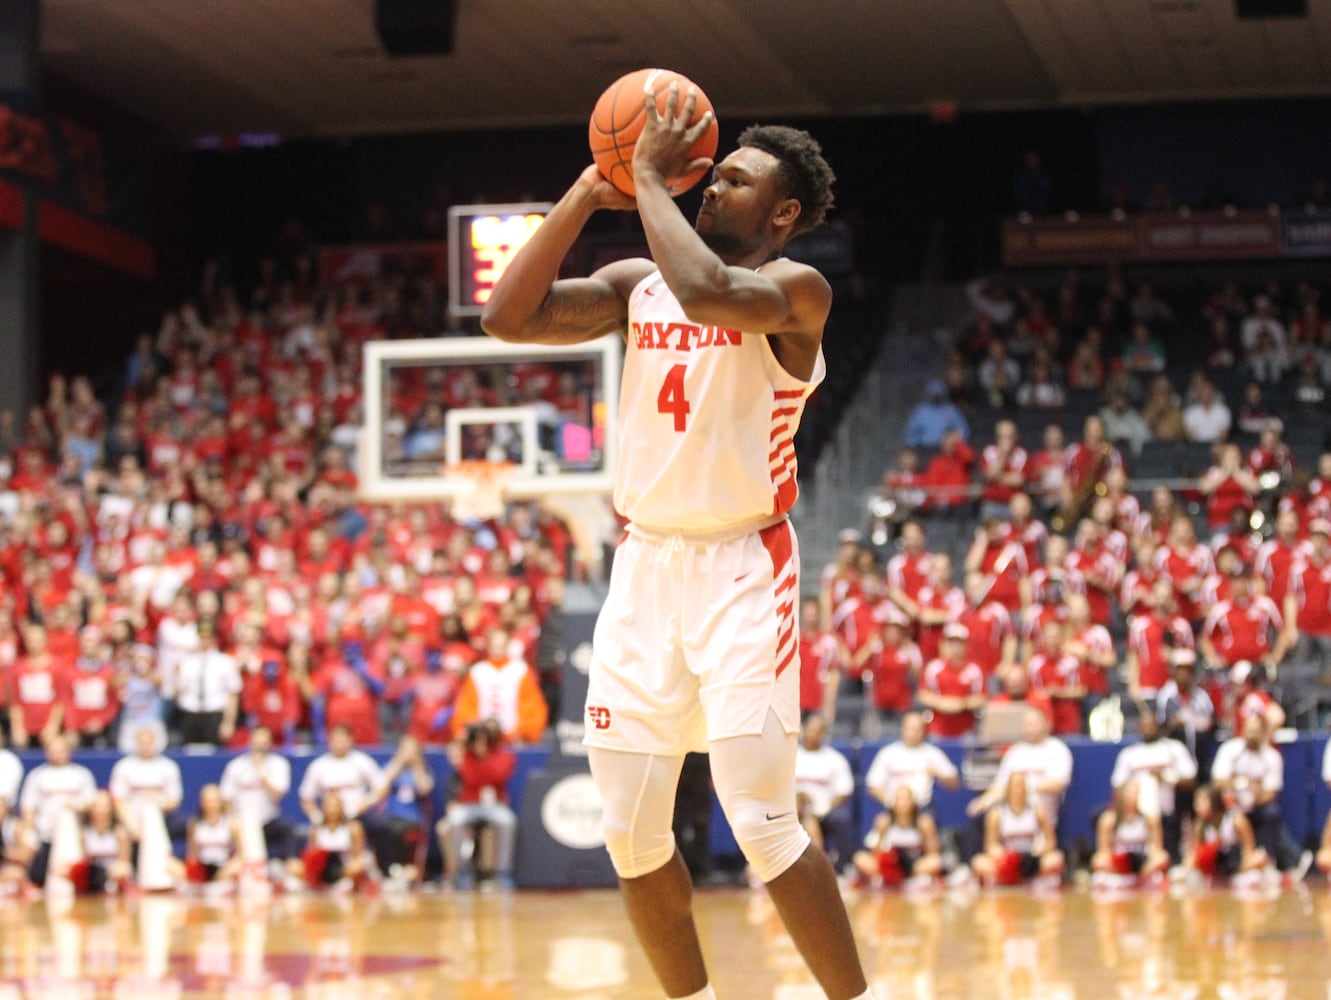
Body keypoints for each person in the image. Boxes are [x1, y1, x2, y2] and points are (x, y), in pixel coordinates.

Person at [480, 95, 871, 999]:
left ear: (780, 214)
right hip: (643, 568)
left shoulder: (794, 291)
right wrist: (589, 188)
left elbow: (706, 291)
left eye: (735, 179)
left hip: (743, 567)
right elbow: (508, 316)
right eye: (714, 169)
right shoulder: (634, 285)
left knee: (763, 820)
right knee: (629, 835)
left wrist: (648, 177)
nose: (713, 183)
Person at [436, 719, 517, 891]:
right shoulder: (466, 755)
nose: (482, 740)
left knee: (507, 821)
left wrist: (484, 755)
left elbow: (497, 776)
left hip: (494, 805)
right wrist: (469, 746)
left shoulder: (504, 755)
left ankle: (502, 871)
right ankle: (462, 871)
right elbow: (470, 779)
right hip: (470, 804)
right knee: (454, 821)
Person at [1109, 711, 1197, 863]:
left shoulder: (1173, 748)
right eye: (1144, 726)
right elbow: (1118, 786)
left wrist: (1166, 778)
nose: (1148, 729)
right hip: (1138, 816)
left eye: (1151, 726)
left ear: (1159, 727)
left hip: (1167, 812)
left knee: (1169, 857)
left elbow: (1191, 779)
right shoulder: (1129, 754)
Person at [17, 733, 97, 887]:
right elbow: (28, 807)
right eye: (52, 750)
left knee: (74, 880)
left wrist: (75, 806)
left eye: (60, 750)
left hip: (74, 837)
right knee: (39, 878)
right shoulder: (37, 776)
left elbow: (91, 803)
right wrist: (30, 832)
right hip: (45, 836)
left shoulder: (81, 775)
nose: (56, 754)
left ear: (69, 751)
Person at [968, 773, 1064, 889]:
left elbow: (1050, 842)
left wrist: (1038, 852)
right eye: (1016, 785)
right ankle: (1009, 878)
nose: (1019, 790)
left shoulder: (1038, 810)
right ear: (1009, 788)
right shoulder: (997, 813)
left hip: (1030, 856)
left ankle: (1026, 877)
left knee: (1056, 859)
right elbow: (991, 845)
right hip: (1007, 858)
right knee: (979, 862)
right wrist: (1003, 855)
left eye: (1022, 785)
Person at [218, 725, 294, 861]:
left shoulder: (279, 764)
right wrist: (232, 818)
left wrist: (261, 773)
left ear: (270, 743)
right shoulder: (236, 766)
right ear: (250, 742)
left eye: (263, 742)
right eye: (257, 741)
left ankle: (288, 865)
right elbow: (226, 798)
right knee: (228, 828)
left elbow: (277, 795)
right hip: (241, 820)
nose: (260, 746)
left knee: (287, 827)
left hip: (268, 820)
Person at [862, 711, 960, 813]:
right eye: (910, 729)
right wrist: (892, 803)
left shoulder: (933, 753)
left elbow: (954, 783)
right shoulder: (888, 753)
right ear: (902, 729)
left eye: (917, 729)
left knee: (927, 824)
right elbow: (872, 785)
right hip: (893, 809)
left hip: (923, 809)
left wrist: (938, 774)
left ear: (924, 731)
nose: (913, 733)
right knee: (881, 823)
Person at [793, 715, 855, 872]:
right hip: (793, 809)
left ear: (824, 734)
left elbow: (844, 791)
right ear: (803, 731)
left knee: (840, 817)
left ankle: (840, 867)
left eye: (817, 731)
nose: (813, 734)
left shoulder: (835, 759)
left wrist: (825, 807)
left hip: (824, 810)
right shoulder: (791, 756)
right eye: (810, 730)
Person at [852, 786, 942, 891]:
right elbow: (876, 850)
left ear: (913, 802)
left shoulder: (924, 822)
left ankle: (912, 881)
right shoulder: (883, 821)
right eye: (899, 799)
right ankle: (884, 879)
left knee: (936, 862)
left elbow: (933, 852)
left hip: (913, 865)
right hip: (889, 864)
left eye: (906, 799)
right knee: (860, 858)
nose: (902, 803)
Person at [1090, 780, 1170, 887]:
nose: (1132, 797)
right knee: (1098, 860)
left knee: (1162, 858)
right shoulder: (1109, 819)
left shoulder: (1149, 819)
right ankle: (1125, 878)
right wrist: (1118, 865)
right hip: (1118, 863)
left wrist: (1145, 867)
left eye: (1135, 793)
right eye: (1129, 794)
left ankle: (1137, 879)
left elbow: (1157, 849)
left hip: (1142, 864)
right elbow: (1103, 851)